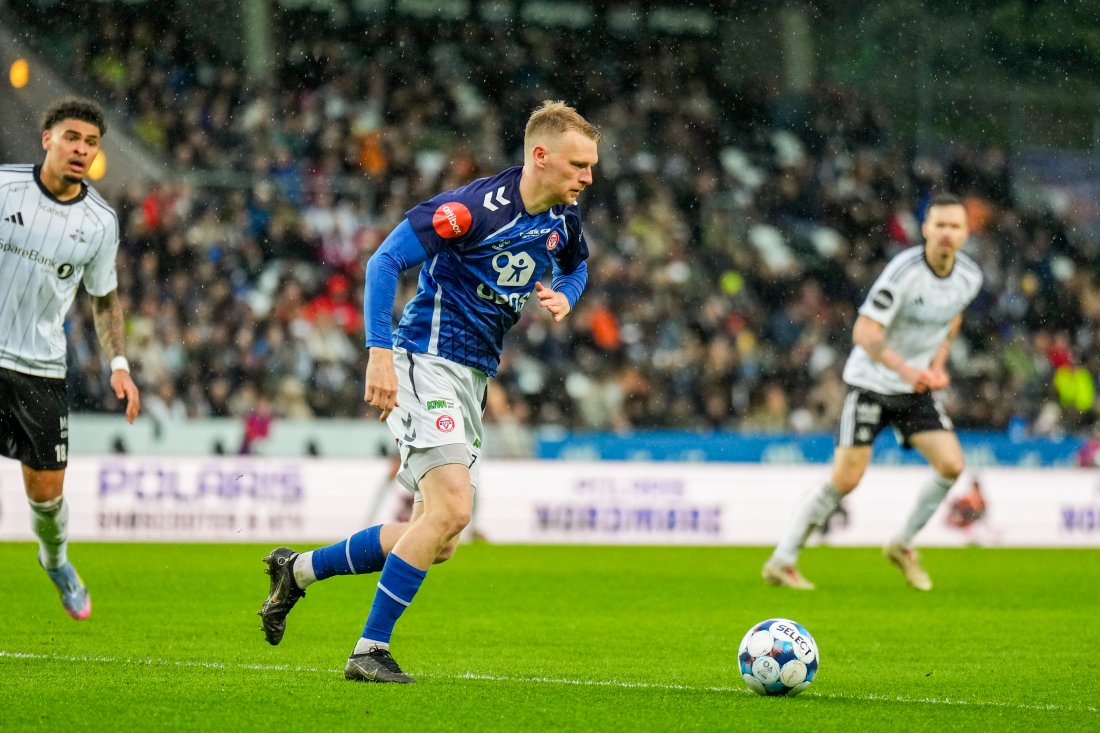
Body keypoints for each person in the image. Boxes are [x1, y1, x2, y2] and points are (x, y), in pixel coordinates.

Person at [257, 100, 600, 682]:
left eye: (591, 166)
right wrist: (380, 353)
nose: (588, 178)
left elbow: (576, 266)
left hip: (472, 377)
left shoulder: (562, 221)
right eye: (579, 165)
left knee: (437, 539)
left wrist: (566, 293)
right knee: (453, 509)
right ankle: (369, 651)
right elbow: (384, 261)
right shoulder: (470, 210)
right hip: (426, 361)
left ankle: (300, 571)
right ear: (540, 157)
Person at [762, 193, 982, 591]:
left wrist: (937, 365)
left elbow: (952, 319)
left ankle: (901, 544)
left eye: (955, 226)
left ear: (966, 232)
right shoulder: (903, 272)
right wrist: (905, 368)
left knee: (951, 466)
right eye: (940, 225)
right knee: (846, 480)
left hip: (914, 388)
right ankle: (782, 560)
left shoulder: (970, 277)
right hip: (872, 384)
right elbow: (864, 332)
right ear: (926, 229)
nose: (947, 234)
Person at [0, 97, 140, 619]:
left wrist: (119, 367)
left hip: (40, 369)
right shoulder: (4, 186)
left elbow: (104, 299)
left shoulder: (100, 222)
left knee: (46, 497)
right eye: (72, 138)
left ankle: (55, 560)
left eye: (91, 143)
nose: (82, 150)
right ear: (47, 140)